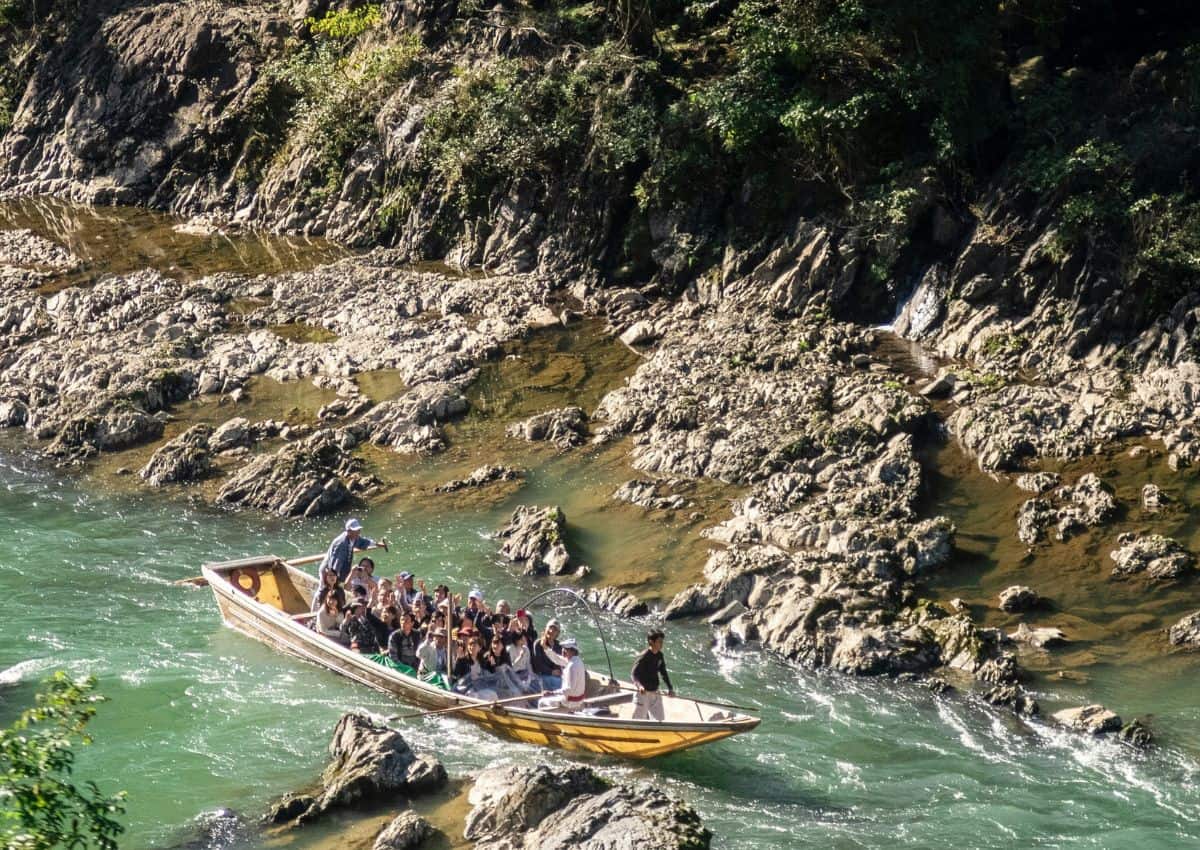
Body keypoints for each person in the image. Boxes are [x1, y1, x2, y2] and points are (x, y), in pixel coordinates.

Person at [313, 518, 385, 608]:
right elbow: (335, 564)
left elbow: (362, 541)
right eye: (356, 530)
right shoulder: (342, 544)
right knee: (324, 590)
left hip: (334, 569)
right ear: (349, 531)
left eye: (358, 530)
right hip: (328, 571)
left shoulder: (353, 538)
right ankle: (316, 610)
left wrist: (376, 544)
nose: (358, 532)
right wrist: (333, 579)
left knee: (331, 591)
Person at [631, 629, 674, 721]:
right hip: (643, 693)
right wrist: (639, 686)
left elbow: (663, 673)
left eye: (662, 641)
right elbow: (634, 674)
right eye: (659, 642)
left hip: (655, 692)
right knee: (638, 720)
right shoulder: (644, 656)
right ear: (651, 642)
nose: (662, 644)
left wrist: (670, 688)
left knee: (660, 720)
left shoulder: (660, 655)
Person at [538, 639, 586, 712]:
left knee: (541, 702)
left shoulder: (571, 666)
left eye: (566, 649)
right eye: (563, 648)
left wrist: (552, 693)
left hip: (570, 702)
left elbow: (569, 689)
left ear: (572, 651)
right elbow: (557, 659)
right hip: (578, 699)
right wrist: (546, 648)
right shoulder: (578, 661)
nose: (563, 651)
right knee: (554, 697)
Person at [531, 618, 568, 691]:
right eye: (550, 628)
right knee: (559, 682)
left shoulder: (559, 645)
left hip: (555, 675)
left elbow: (559, 662)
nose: (551, 631)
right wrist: (551, 672)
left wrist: (557, 671)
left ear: (558, 633)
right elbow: (538, 665)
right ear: (545, 629)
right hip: (541, 674)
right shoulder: (538, 644)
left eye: (554, 630)